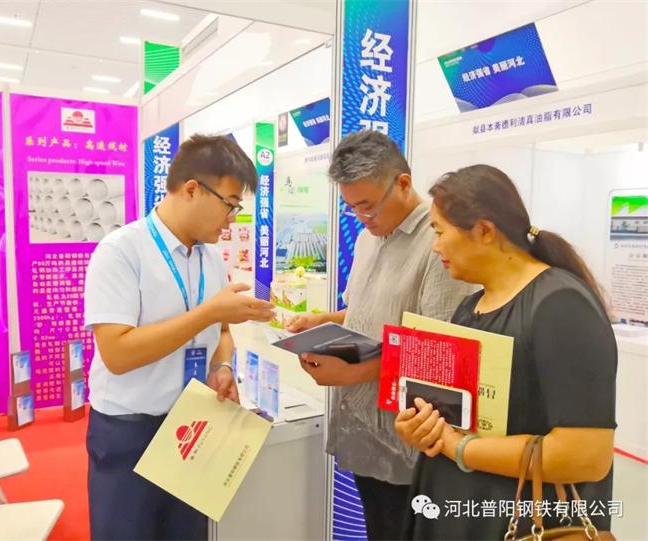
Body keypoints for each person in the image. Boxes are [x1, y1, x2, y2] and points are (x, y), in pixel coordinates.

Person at [396, 164, 616, 539]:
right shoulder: (470, 307)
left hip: (520, 521)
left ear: (484, 231)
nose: (435, 246)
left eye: (440, 232)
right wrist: (423, 428)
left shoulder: (561, 306)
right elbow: (459, 415)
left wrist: (458, 447)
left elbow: (586, 455)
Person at [83, 134, 274, 541]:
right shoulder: (121, 252)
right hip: (129, 433)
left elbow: (222, 331)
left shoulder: (210, 257)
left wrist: (222, 366)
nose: (232, 218)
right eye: (229, 204)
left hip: (192, 424)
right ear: (191, 190)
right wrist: (207, 313)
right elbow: (117, 353)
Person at [286, 130, 475, 540]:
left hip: (408, 442)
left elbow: (445, 351)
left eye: (368, 206)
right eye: (352, 207)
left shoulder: (437, 245)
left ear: (403, 183)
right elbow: (366, 309)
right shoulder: (369, 238)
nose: (361, 217)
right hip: (362, 429)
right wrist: (325, 321)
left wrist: (354, 372)